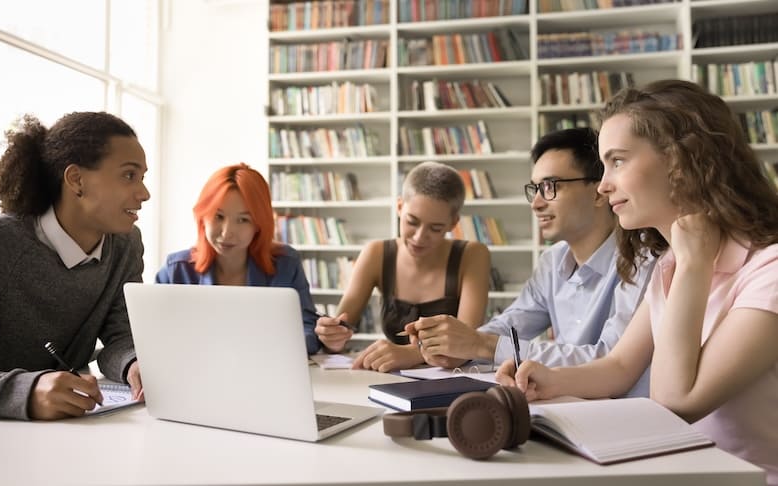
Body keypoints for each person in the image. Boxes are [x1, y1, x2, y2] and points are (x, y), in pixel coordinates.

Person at [497, 80, 778, 483]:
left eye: (618, 161)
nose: (603, 183)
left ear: (681, 160)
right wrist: (551, 380)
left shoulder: (767, 270)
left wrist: (694, 264)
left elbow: (675, 403)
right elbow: (620, 366)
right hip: (675, 470)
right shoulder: (668, 263)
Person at [404, 128, 654, 396]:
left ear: (598, 192)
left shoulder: (643, 258)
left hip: (622, 416)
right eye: (535, 189)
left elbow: (610, 360)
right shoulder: (552, 261)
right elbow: (511, 323)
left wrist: (480, 345)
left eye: (549, 187)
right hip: (564, 406)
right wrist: (453, 348)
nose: (535, 203)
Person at [0, 111, 150, 422]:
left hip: (75, 429)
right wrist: (26, 390)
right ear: (77, 180)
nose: (144, 194)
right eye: (129, 175)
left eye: (142, 178)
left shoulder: (125, 244)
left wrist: (136, 364)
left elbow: (121, 334)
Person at [315, 161, 491, 372]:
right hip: (389, 379)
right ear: (399, 207)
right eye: (412, 221)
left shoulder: (472, 255)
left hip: (452, 381)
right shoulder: (376, 253)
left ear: (453, 223)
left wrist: (411, 353)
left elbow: (467, 342)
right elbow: (339, 330)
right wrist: (332, 337)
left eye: (435, 228)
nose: (419, 237)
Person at [155, 163, 320, 355]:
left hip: (263, 371)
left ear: (259, 225)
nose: (227, 233)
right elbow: (153, 332)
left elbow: (308, 329)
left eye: (243, 220)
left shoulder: (286, 264)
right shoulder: (176, 270)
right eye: (218, 216)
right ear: (203, 217)